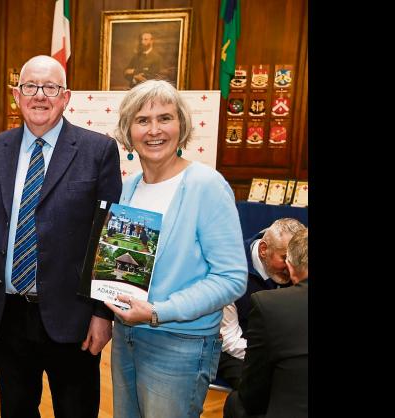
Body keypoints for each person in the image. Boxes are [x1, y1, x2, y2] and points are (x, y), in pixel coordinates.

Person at [0, 55, 122, 418]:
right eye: (30, 86)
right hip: (8, 316)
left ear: (66, 96)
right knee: (16, 410)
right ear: (16, 94)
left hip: (72, 317)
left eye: (51, 87)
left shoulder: (97, 150)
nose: (39, 95)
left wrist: (103, 313)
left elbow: (108, 240)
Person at [107, 79, 247, 418]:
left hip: (180, 345)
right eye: (142, 120)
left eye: (165, 118)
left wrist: (158, 310)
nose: (155, 130)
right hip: (126, 338)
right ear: (128, 131)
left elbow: (231, 278)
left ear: (181, 126)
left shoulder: (206, 185)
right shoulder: (126, 189)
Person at [223, 228, 308, 418]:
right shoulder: (231, 269)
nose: (289, 264)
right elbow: (229, 339)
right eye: (285, 257)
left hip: (284, 351)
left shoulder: (296, 271)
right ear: (263, 250)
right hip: (238, 351)